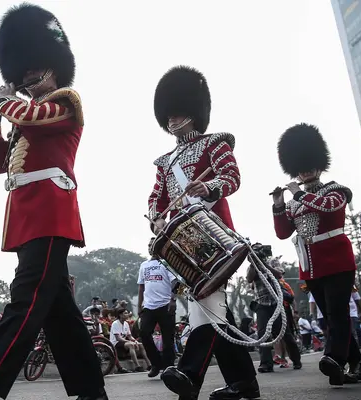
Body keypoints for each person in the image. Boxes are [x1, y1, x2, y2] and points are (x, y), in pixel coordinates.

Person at [0, 4, 105, 400]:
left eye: (35, 68)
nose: (27, 76)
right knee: (60, 314)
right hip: (27, 216)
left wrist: (7, 101)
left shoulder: (65, 103)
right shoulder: (23, 118)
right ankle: (92, 392)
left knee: (24, 303)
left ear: (54, 67)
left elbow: (32, 115)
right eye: (22, 70)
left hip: (51, 213)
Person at [148, 65, 257, 400]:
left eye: (178, 112)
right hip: (185, 243)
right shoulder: (165, 162)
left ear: (193, 114)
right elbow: (157, 197)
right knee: (212, 306)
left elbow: (232, 178)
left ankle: (190, 373)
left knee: (207, 301)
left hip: (216, 237)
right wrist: (155, 216)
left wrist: (208, 186)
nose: (171, 120)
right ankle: (244, 384)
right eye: (167, 115)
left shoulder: (215, 144)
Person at [272, 123, 361, 386]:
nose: (305, 170)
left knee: (337, 314)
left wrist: (298, 193)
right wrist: (279, 205)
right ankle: (356, 364)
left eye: (310, 165)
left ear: (319, 166)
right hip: (310, 265)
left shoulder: (335, 190)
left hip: (337, 260)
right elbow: (282, 232)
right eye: (301, 167)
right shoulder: (294, 201)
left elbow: (325, 208)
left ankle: (334, 358)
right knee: (331, 318)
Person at [246, 247, 301, 372]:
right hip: (261, 304)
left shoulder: (273, 261)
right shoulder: (252, 266)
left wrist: (264, 264)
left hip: (276, 302)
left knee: (284, 333)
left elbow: (279, 275)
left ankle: (296, 360)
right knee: (262, 334)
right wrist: (254, 264)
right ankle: (266, 364)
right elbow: (250, 279)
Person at [137, 248, 178, 378]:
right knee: (144, 333)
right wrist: (139, 306)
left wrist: (173, 300)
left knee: (168, 338)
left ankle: (168, 367)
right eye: (149, 245)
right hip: (149, 306)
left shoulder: (166, 263)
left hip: (165, 305)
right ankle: (156, 364)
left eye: (153, 244)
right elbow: (141, 286)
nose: (151, 247)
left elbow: (176, 282)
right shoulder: (144, 265)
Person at [109, 308, 151, 372]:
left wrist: (135, 341)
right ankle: (137, 366)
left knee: (141, 345)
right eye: (125, 313)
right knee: (131, 345)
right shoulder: (115, 323)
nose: (127, 315)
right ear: (120, 315)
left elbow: (130, 336)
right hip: (116, 343)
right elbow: (118, 338)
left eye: (127, 313)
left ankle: (149, 365)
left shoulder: (126, 323)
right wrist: (130, 341)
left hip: (124, 342)